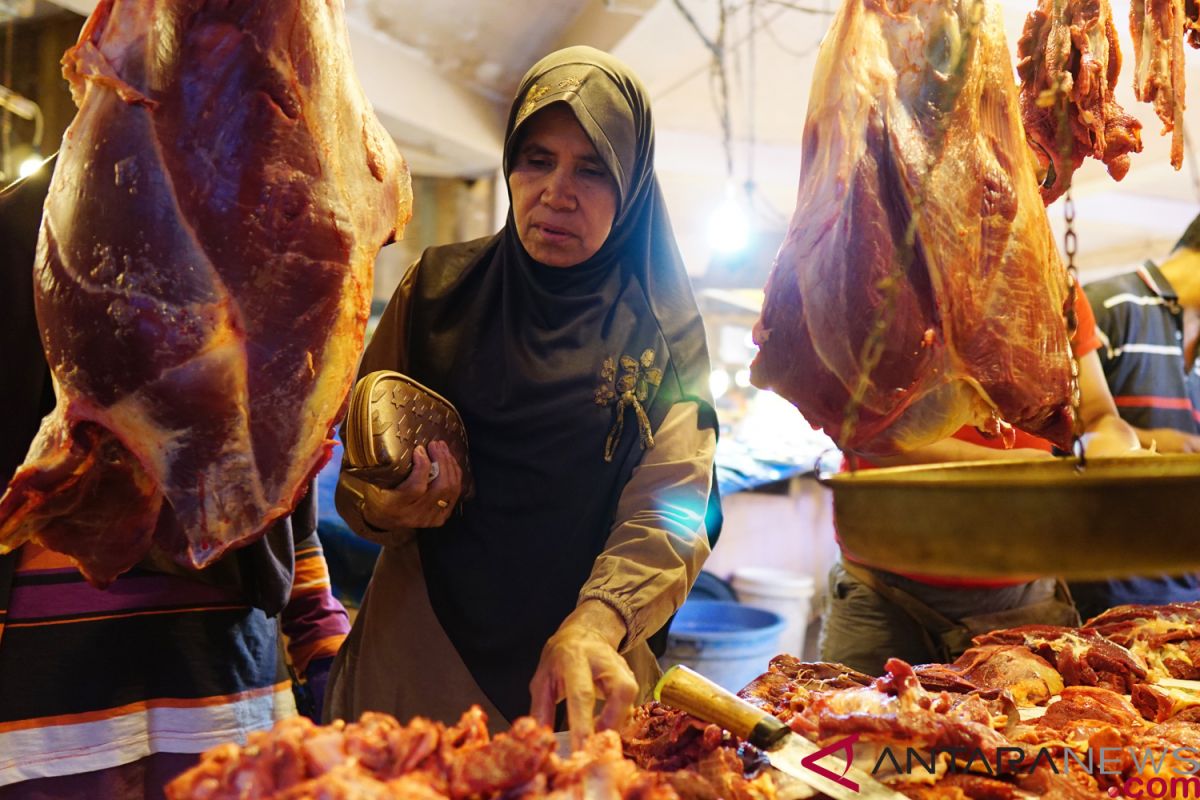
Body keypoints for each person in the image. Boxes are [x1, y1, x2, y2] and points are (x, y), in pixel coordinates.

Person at [326, 46, 719, 748]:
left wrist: (599, 619)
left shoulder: (662, 333)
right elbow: (359, 480)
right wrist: (388, 506)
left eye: (592, 169)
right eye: (537, 160)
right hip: (418, 664)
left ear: (631, 186)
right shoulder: (435, 292)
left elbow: (677, 506)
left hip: (581, 677)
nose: (557, 192)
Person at [0, 160, 350, 800]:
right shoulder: (22, 225)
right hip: (53, 714)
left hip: (223, 690)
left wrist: (324, 645)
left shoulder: (269, 234)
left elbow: (285, 489)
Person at [820, 285, 1142, 675]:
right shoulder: (888, 269)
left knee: (1030, 731)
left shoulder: (1047, 280)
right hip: (882, 592)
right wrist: (1012, 469)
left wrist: (1109, 448)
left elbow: (1099, 414)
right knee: (848, 732)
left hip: (1023, 591)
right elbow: (856, 426)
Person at [1067, 215, 1200, 619]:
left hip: (1188, 585)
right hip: (1111, 591)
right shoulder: (1108, 304)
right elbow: (1059, 433)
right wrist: (1155, 444)